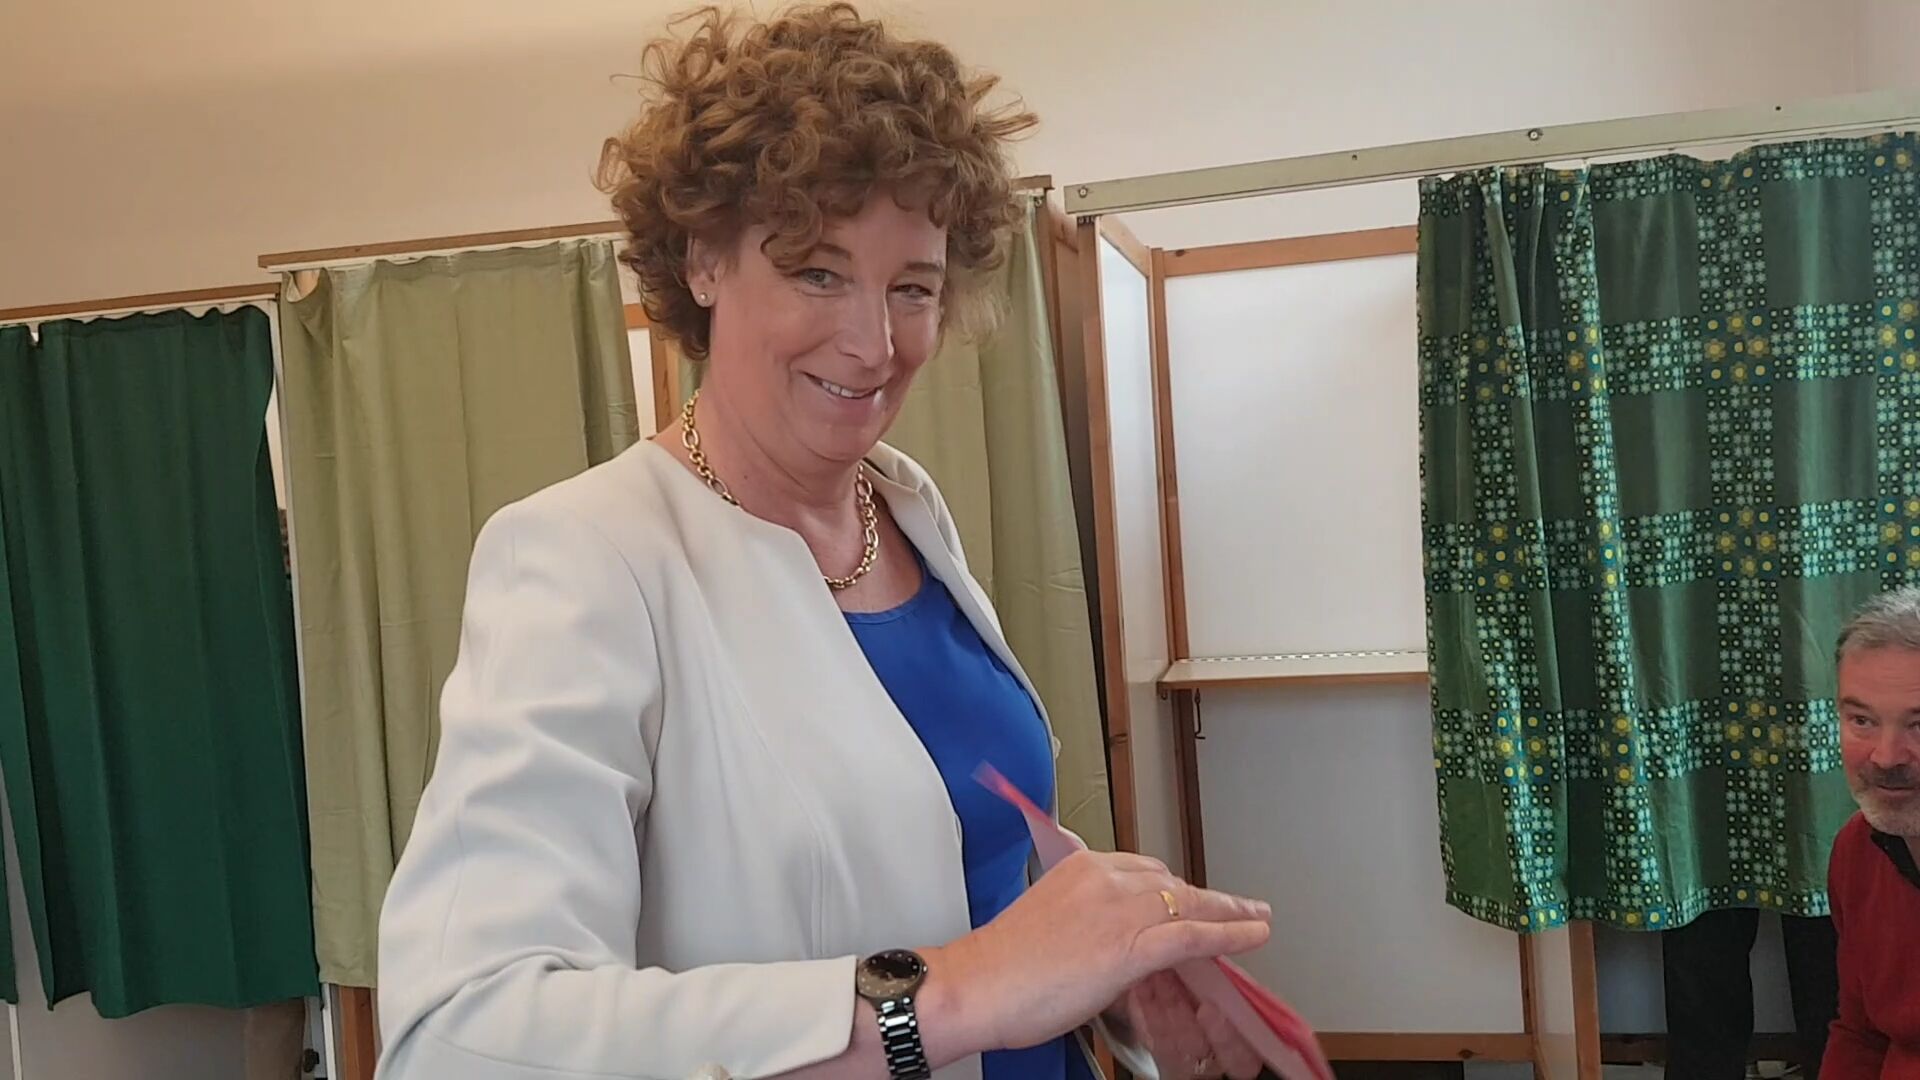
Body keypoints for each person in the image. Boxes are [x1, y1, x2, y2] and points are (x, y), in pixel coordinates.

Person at [372, 5, 1274, 1080]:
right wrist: (958, 992)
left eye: (912, 289)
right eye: (818, 273)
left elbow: (964, 867)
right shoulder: (584, 559)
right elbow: (463, 1033)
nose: (873, 344)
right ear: (704, 260)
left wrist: (1109, 968)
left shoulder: (905, 509)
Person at [1821, 587, 1920, 1077]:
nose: (1886, 757)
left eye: (1919, 724)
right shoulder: (1856, 850)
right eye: (1862, 720)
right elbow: (1860, 1035)